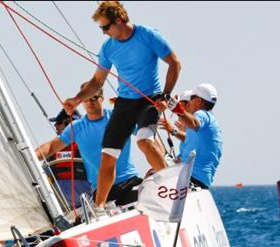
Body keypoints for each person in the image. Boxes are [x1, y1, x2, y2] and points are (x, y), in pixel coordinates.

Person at [62, 1, 181, 207]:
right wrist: (77, 99)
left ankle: (172, 191)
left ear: (118, 20)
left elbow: (174, 63)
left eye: (105, 27)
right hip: (125, 104)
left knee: (144, 141)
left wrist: (165, 95)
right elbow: (97, 81)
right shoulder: (108, 48)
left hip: (149, 99)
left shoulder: (147, 35)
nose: (103, 32)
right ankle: (99, 208)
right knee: (108, 156)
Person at [36, 88, 141, 207]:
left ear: (101, 99)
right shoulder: (77, 128)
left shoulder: (118, 116)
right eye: (85, 99)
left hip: (128, 181)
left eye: (93, 98)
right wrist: (28, 156)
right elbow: (51, 147)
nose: (89, 102)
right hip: (100, 193)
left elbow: (145, 131)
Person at [173, 83, 223, 188]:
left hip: (192, 179)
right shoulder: (211, 120)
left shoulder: (201, 114)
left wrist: (176, 109)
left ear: (198, 101)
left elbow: (194, 123)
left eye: (191, 98)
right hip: (199, 181)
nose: (189, 103)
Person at [43, 109, 90, 207]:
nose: (55, 126)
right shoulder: (53, 150)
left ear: (69, 123)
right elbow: (43, 175)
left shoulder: (88, 145)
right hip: (59, 206)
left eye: (58, 122)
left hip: (87, 205)